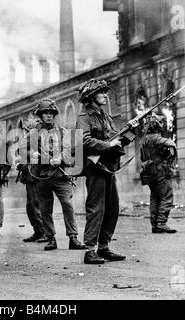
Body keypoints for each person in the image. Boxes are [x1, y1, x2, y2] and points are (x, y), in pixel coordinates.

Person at [76, 78, 136, 264]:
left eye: (105, 92)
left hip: (108, 168)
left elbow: (119, 142)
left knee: (112, 208)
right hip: (95, 168)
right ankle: (89, 250)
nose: (105, 95)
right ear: (91, 96)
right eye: (101, 92)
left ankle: (104, 247)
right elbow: (83, 141)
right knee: (96, 208)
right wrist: (107, 144)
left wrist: (131, 130)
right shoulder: (84, 117)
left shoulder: (106, 117)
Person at [31, 99, 86, 251]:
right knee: (45, 208)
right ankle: (50, 238)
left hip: (60, 176)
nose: (48, 116)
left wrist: (59, 158)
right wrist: (34, 154)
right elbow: (26, 153)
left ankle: (73, 237)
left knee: (68, 205)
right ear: (40, 116)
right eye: (44, 113)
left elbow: (68, 152)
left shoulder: (63, 132)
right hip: (42, 176)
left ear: (54, 115)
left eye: (50, 113)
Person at [140, 113, 177, 233]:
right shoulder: (156, 138)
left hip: (149, 173)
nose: (162, 125)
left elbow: (142, 157)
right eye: (160, 122)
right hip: (160, 172)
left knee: (155, 198)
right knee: (166, 197)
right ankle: (161, 222)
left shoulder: (144, 140)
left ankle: (155, 224)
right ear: (156, 125)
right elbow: (170, 144)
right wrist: (171, 150)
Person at [11, 117, 47, 243]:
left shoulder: (34, 137)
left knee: (35, 204)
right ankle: (38, 231)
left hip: (35, 175)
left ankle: (43, 232)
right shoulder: (30, 138)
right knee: (30, 206)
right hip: (29, 174)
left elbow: (25, 152)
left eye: (25, 129)